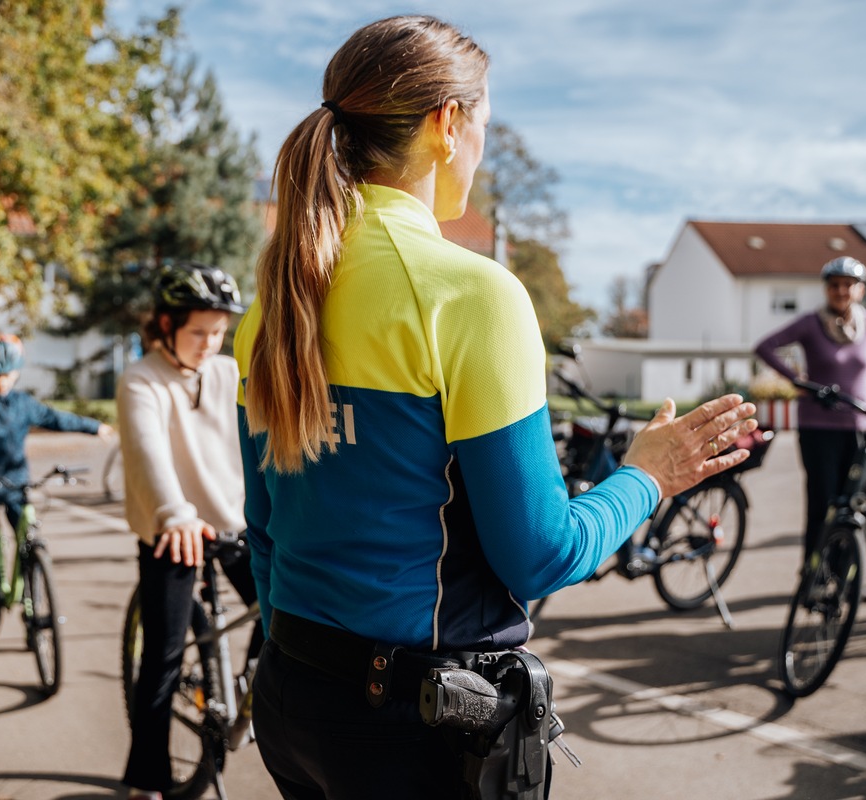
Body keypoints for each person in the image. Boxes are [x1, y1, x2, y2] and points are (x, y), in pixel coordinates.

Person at [233, 15, 758, 800]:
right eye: (483, 119)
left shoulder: (277, 301)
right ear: (448, 123)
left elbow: (267, 528)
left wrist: (305, 660)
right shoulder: (473, 296)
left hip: (293, 698)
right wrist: (647, 477)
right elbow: (541, 556)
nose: (480, 143)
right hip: (417, 725)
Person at [115, 263, 263, 800]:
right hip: (171, 527)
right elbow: (149, 452)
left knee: (289, 610)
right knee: (164, 655)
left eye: (218, 332)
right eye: (198, 331)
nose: (209, 343)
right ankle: (147, 780)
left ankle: (252, 694)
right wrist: (174, 512)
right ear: (165, 324)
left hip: (233, 522)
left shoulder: (227, 373)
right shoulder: (141, 379)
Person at [0, 332, 114, 669]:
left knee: (30, 538)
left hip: (16, 485)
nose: (1, 382)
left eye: (7, 375)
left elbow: (58, 419)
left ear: (17, 372)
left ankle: (31, 603)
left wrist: (94, 427)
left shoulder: (24, 403)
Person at [754, 256, 866, 566]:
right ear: (826, 289)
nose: (841, 291)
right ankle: (814, 570)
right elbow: (765, 347)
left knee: (855, 503)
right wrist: (797, 380)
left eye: (848, 285)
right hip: (817, 427)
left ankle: (846, 571)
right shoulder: (811, 323)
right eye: (835, 285)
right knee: (822, 503)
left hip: (859, 425)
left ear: (860, 290)